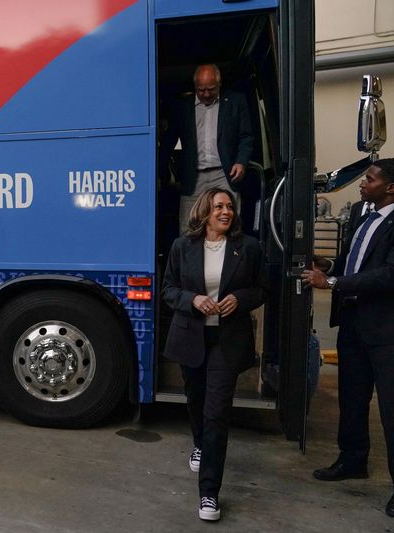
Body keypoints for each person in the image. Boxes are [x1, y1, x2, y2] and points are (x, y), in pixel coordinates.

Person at [162, 187, 268, 521]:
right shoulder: (183, 247)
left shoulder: (248, 247)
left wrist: (241, 299)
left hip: (228, 339)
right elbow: (168, 290)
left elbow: (262, 289)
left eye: (230, 207)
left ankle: (209, 494)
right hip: (191, 337)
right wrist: (192, 300)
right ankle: (198, 443)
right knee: (195, 400)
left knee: (216, 412)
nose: (226, 212)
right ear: (205, 211)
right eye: (219, 206)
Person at [302, 158, 394, 518]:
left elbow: (388, 275)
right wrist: (329, 267)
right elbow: (353, 260)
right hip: (352, 323)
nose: (362, 183)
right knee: (353, 399)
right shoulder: (360, 212)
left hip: (385, 330)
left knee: (389, 410)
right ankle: (352, 459)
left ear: (390, 187)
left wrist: (333, 284)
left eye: (369, 179)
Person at [164, 64, 254, 234]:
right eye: (201, 90)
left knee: (229, 225)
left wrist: (241, 162)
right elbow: (170, 139)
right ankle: (191, 261)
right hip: (193, 176)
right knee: (188, 227)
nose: (206, 94)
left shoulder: (235, 101)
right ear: (195, 86)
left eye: (211, 89)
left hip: (224, 174)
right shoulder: (183, 106)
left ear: (219, 84)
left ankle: (228, 259)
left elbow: (246, 136)